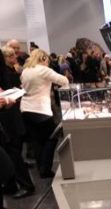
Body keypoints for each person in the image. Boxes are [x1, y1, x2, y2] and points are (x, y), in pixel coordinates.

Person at [20, 49, 69, 178]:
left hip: (25, 109)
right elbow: (64, 80)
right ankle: (45, 169)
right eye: (47, 59)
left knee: (36, 140)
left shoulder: (26, 71)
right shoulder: (43, 70)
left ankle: (41, 168)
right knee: (52, 137)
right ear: (43, 58)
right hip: (40, 109)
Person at [0, 50, 34, 198]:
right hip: (8, 114)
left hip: (7, 116)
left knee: (12, 152)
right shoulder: (8, 71)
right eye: (11, 54)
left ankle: (25, 185)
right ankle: (11, 184)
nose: (15, 57)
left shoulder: (8, 72)